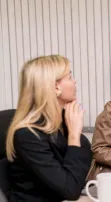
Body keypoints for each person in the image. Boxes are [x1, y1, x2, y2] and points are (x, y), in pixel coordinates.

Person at [6, 55, 92, 202]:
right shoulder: (27, 135)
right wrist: (73, 136)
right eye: (70, 77)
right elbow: (70, 189)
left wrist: (73, 132)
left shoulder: (62, 121)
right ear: (56, 87)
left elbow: (85, 159)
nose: (75, 81)